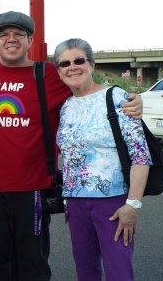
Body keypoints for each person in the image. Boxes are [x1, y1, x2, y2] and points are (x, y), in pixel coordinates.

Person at [0, 11, 143, 280]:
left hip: (32, 187)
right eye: (3, 35)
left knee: (34, 264)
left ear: (30, 40)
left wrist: (130, 98)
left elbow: (88, 89)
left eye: (19, 34)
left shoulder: (49, 74)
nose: (11, 39)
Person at [54, 38, 151, 281]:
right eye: (65, 63)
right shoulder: (65, 106)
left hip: (113, 202)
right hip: (76, 203)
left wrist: (133, 205)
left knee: (119, 271)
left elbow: (141, 155)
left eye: (79, 60)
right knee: (86, 272)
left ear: (92, 65)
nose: (72, 67)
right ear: (58, 71)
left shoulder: (117, 97)